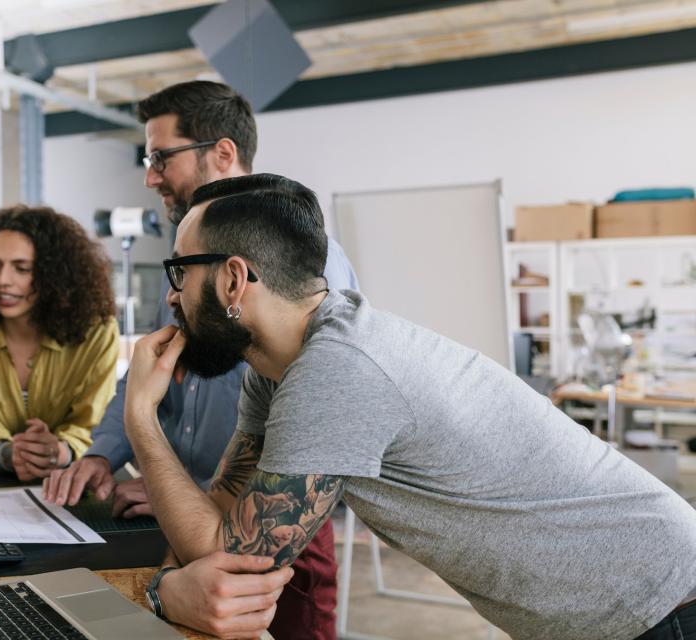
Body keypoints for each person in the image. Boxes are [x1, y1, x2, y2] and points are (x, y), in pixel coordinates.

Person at [120, 173, 696, 640]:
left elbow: (231, 555)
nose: (171, 294)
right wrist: (173, 584)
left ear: (232, 280)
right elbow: (221, 519)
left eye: (180, 271)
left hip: (659, 602)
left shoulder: (338, 369)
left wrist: (141, 419)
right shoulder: (278, 370)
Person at [44, 81, 356, 640]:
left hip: (275, 527)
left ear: (223, 153)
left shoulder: (303, 259)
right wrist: (106, 456)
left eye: (160, 156)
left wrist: (181, 490)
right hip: (195, 514)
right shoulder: (191, 251)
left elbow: (312, 418)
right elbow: (154, 368)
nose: (150, 175)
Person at [0, 205, 119, 481]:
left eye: (22, 268)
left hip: (74, 480)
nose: (2, 281)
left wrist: (60, 451)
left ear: (54, 275)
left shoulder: (97, 332)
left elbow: (93, 421)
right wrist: (10, 454)